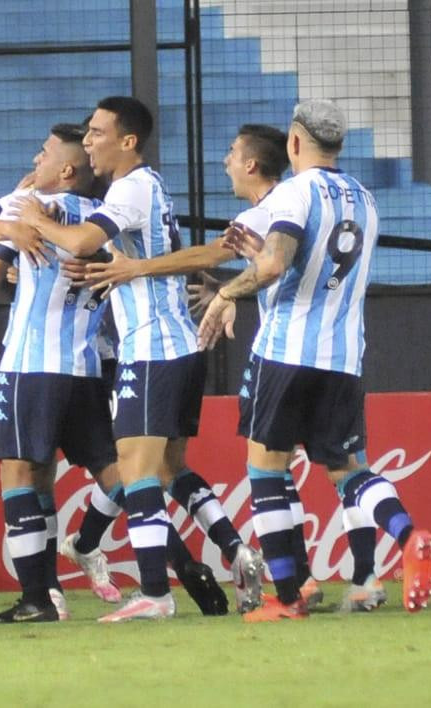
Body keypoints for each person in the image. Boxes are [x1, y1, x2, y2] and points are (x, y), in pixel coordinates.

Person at [78, 123, 383, 610]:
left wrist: (152, 271)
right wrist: (219, 285)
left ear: (251, 164)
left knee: (175, 468)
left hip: (260, 353)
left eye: (230, 153)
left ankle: (166, 590)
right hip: (331, 353)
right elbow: (233, 257)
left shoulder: (279, 204)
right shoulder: (298, 203)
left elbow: (252, 261)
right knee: (217, 468)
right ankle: (308, 572)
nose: (224, 161)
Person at [15, 96, 262, 622]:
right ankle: (236, 550)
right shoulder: (148, 186)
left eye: (98, 132)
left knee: (136, 469)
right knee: (171, 467)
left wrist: (39, 220)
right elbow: (129, 250)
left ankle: (155, 591)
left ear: (128, 141)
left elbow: (82, 239)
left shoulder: (129, 188)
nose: (88, 141)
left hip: (152, 348)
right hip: (178, 344)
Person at [197, 100, 431, 621]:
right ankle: (409, 535)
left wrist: (226, 294)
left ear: (295, 142)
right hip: (344, 355)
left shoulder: (295, 191)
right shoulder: (366, 199)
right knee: (349, 472)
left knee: (266, 468)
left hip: (286, 351)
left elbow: (277, 262)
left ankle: (290, 596)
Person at [0, 123, 125, 623]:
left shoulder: (30, 202)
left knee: (20, 471)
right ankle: (88, 544)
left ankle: (38, 597)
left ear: (66, 170)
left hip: (32, 366)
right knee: (120, 471)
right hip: (86, 366)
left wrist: (11, 228)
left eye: (46, 153)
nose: (36, 159)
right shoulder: (101, 219)